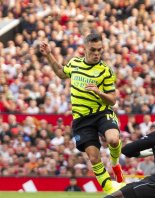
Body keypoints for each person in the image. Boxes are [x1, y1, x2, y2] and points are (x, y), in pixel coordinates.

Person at [39, 33, 125, 194]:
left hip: (101, 113)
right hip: (81, 119)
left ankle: (115, 165)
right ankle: (110, 189)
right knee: (93, 157)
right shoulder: (75, 63)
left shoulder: (105, 70)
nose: (96, 53)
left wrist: (99, 92)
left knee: (113, 139)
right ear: (84, 49)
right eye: (92, 50)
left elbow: (113, 100)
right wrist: (49, 54)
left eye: (99, 50)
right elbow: (60, 72)